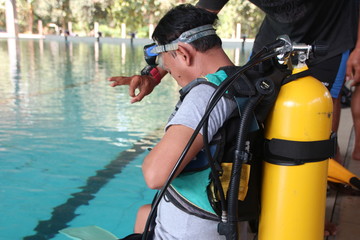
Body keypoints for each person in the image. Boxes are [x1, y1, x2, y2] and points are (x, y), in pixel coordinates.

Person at [109, 0, 360, 163]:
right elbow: (189, 32)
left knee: (323, 117)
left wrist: (359, 48)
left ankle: (324, 187)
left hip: (332, 35)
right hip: (275, 37)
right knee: (256, 105)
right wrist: (153, 73)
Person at [120, 4, 240, 239]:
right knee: (145, 213)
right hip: (218, 220)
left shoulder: (205, 94)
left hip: (184, 233)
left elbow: (154, 175)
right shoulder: (241, 79)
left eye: (167, 64)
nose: (172, 74)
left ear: (184, 54)